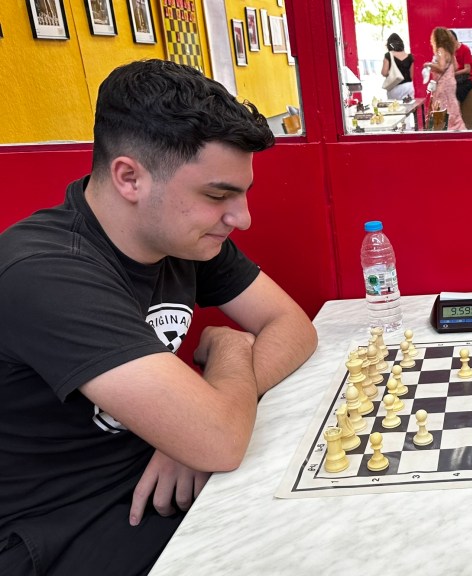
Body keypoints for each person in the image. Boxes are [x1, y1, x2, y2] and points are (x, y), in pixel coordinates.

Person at [0, 59, 318, 575]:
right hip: (60, 529)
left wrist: (193, 427)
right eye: (217, 195)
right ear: (130, 178)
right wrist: (228, 355)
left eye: (242, 194)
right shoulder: (45, 272)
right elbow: (219, 440)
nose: (241, 218)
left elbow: (292, 326)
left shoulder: (183, 238)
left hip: (162, 479)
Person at [424, 26, 466, 131]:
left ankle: (442, 129)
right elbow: (456, 67)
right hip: (451, 82)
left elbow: (441, 67)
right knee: (452, 106)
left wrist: (429, 64)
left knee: (441, 106)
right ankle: (457, 127)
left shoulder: (440, 50)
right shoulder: (450, 51)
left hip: (443, 84)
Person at [380, 33, 414, 102]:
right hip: (408, 86)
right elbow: (411, 76)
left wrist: (391, 73)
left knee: (395, 106)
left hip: (394, 87)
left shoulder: (388, 55)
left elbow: (384, 73)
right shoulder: (410, 57)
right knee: (409, 106)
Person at [449, 29, 472, 103]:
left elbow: (467, 70)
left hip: (465, 80)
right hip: (453, 79)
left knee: (456, 94)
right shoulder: (449, 52)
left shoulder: (465, 49)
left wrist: (454, 73)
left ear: (454, 38)